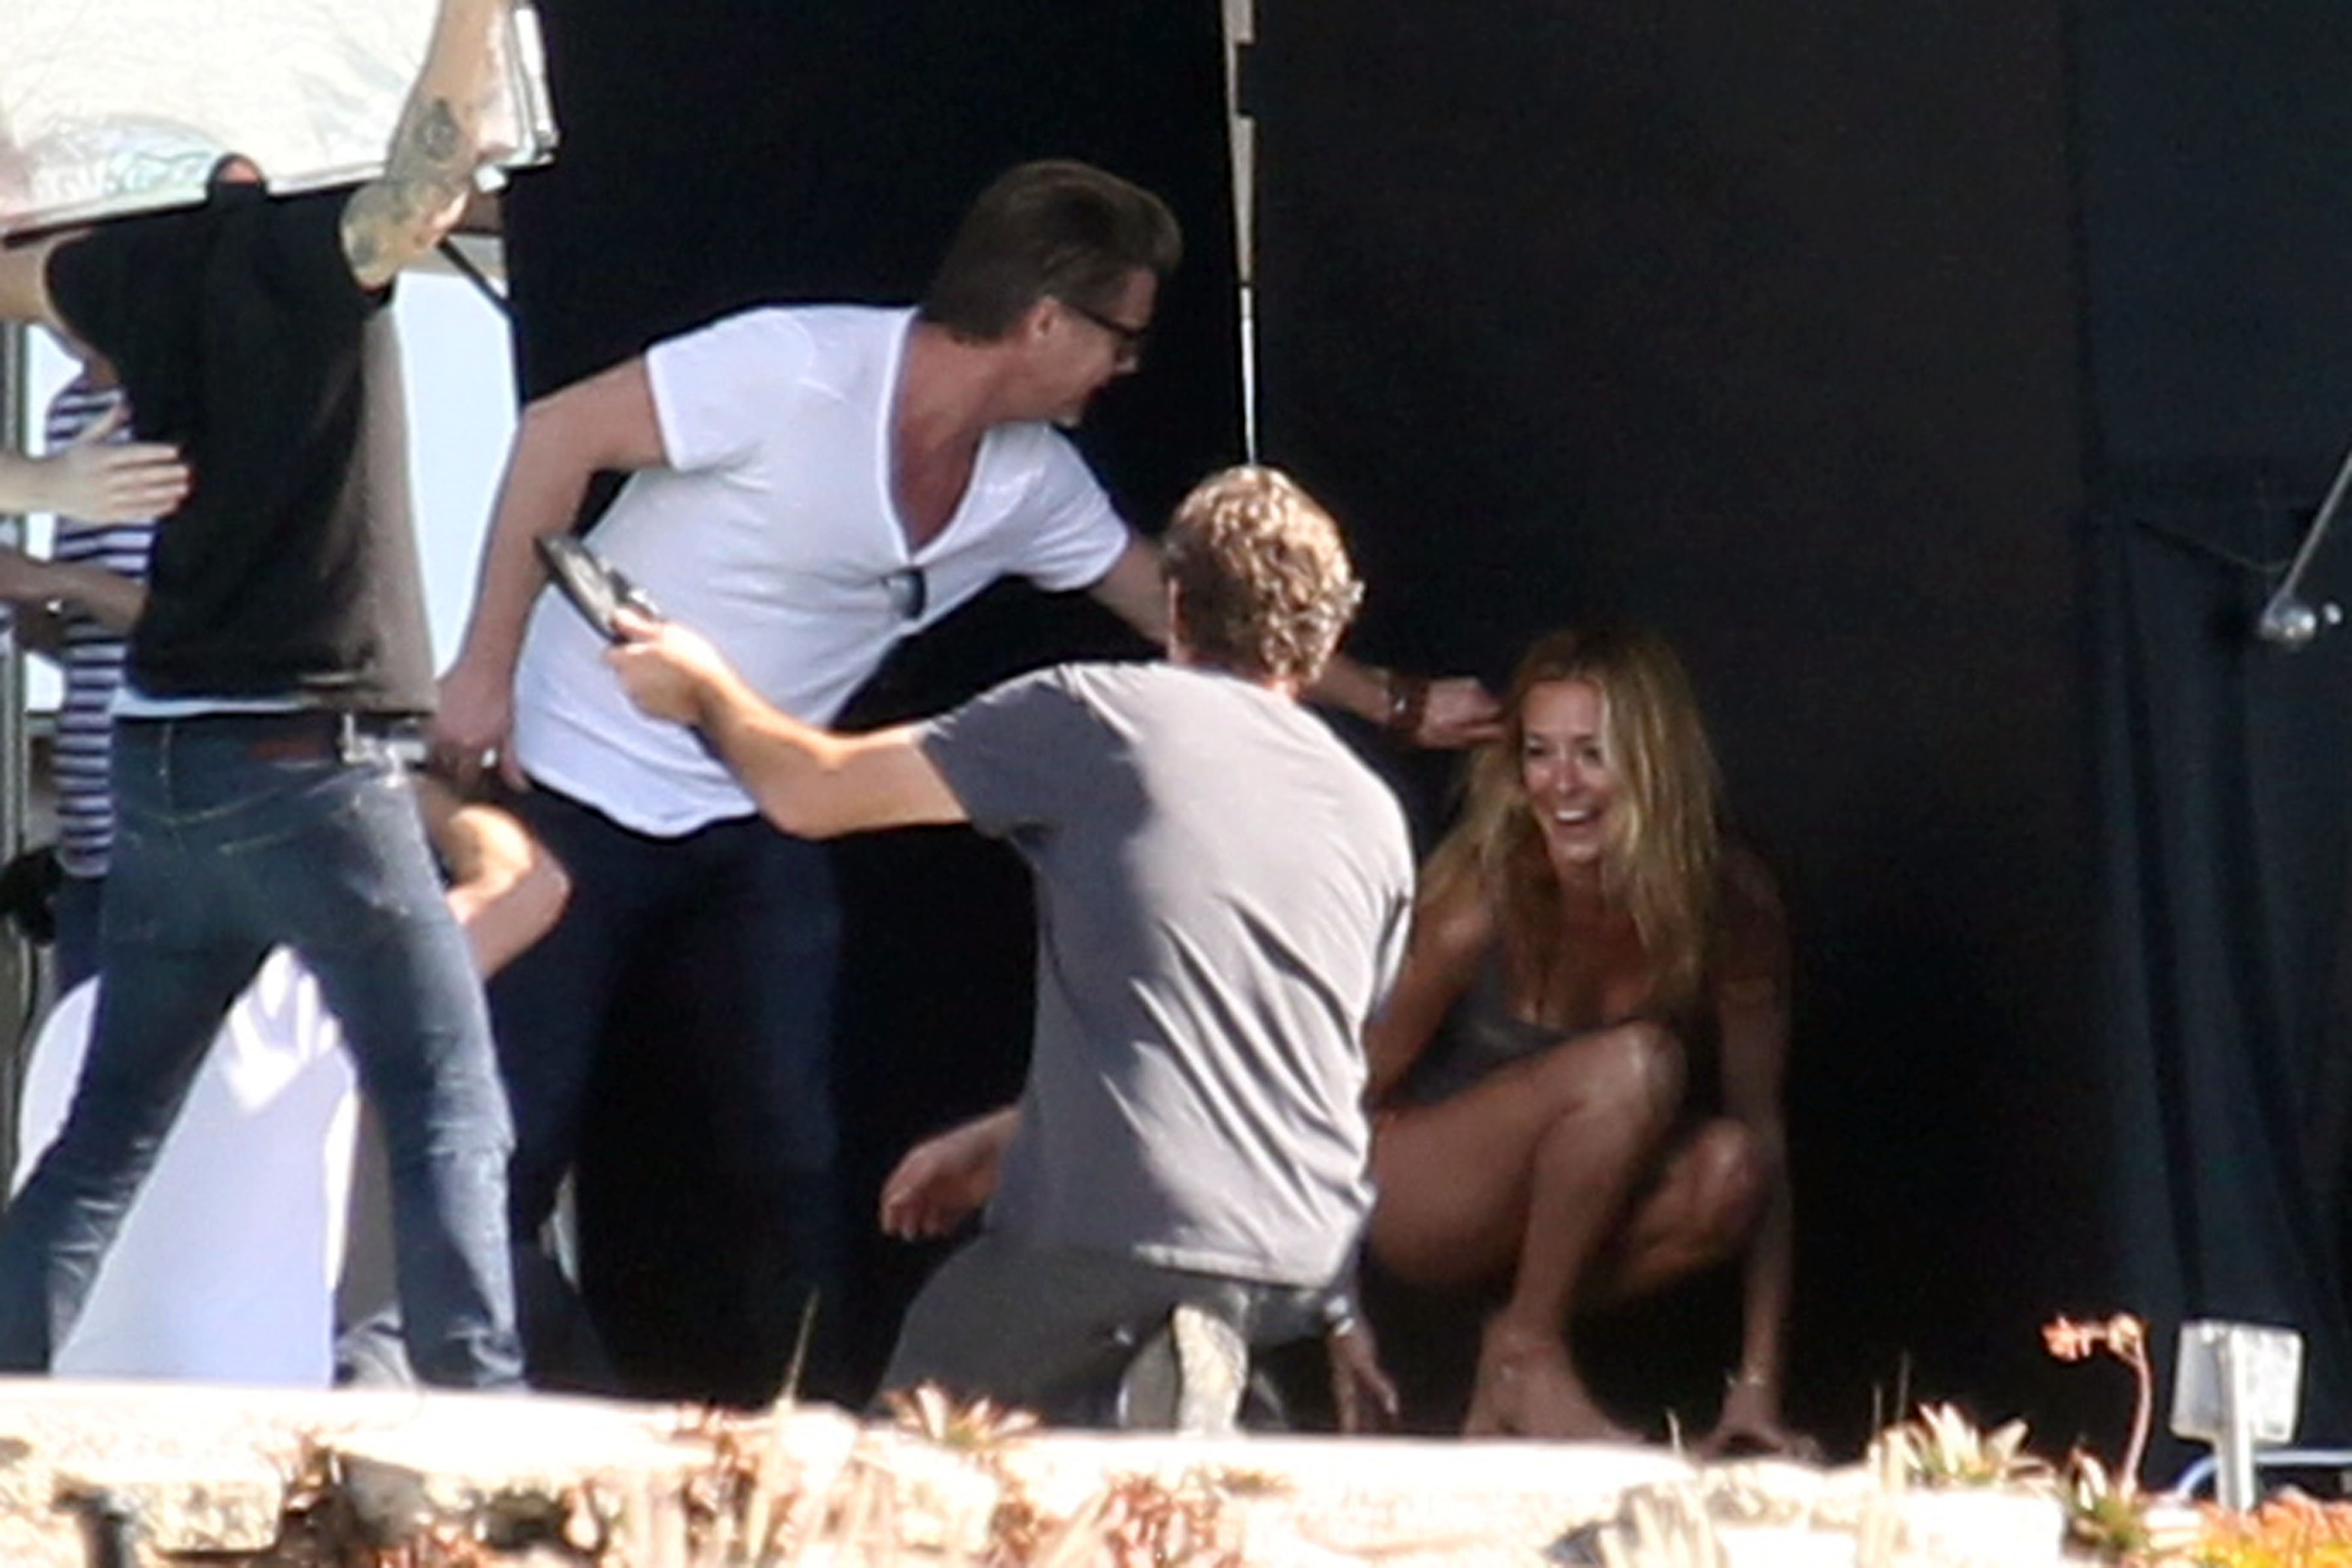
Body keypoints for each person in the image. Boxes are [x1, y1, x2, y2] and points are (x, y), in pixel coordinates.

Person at [429, 158, 1494, 1394]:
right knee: (515, 1142)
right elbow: (558, 432)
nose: (1127, 370)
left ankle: (807, 1429)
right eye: (1122, 340)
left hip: (757, 806)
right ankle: (499, 1404)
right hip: (573, 777)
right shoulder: (795, 369)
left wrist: (1389, 701)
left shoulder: (1029, 484)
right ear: (1044, 320)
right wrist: (483, 669)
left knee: (791, 1155)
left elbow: (1185, 603)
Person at [605, 465, 1412, 1429]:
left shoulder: (1100, 718)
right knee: (1126, 1403)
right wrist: (1012, 1138)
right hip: (1301, 1261)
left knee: (916, 1446)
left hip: (1118, 1235)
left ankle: (1164, 1393)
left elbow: (813, 791)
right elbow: (1288, 1061)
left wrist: (703, 687)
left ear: (1176, 604)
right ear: (1325, 635)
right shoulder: (1373, 816)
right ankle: (1186, 1395)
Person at [0, 0, 527, 1386]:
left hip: (160, 770)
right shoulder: (306, 248)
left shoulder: (120, 272)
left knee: (107, 1136)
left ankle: (6, 1389)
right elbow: (430, 176)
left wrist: (34, 483)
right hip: (309, 760)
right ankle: (480, 1406)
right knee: (446, 1096)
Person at [1360, 625, 1798, 1447]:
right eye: (1539, 753)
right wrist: (1333, 1317)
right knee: (1640, 1065)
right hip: (1421, 1195)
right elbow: (1335, 1100)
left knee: (1731, 1169)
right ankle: (1531, 1357)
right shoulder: (1478, 901)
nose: (1562, 785)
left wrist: (1758, 1386)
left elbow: (1764, 1135)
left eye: (1592, 755)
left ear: (1653, 765)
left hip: (1562, 1227)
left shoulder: (1731, 905)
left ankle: (1515, 1349)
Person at [12, 780, 567, 1385]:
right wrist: (391, 782)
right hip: (258, 1413)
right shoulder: (297, 1004)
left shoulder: (71, 1022)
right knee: (522, 1288)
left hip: (80, 1403)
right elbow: (526, 884)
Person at [0, 355, 186, 991]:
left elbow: (201, 630)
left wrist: (55, 580)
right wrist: (38, 622)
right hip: (87, 842)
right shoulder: (69, 410)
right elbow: (97, 643)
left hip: (163, 842)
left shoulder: (182, 406)